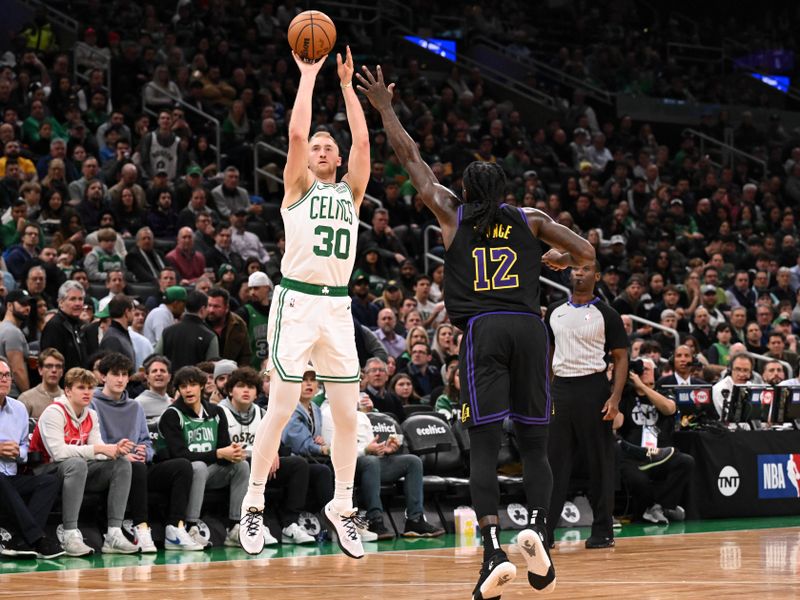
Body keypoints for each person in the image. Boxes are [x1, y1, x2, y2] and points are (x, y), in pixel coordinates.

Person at [359, 65, 595, 597]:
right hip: (530, 329)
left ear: (465, 190)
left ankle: (492, 553)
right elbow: (587, 252)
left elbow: (411, 160)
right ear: (506, 190)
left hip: (484, 330)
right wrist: (549, 260)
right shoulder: (530, 218)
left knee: (485, 444)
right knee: (536, 444)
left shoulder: (451, 213)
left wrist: (386, 108)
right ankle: (536, 528)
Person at [239, 47, 371, 559]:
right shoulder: (296, 189)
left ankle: (342, 504)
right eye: (315, 145)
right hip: (295, 303)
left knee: (347, 415)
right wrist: (309, 76)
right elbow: (294, 134)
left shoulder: (353, 194)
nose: (319, 149)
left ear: (336, 160)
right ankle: (253, 503)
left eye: (327, 147)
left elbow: (363, 139)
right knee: (283, 405)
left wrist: (345, 87)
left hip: (336, 309)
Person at [545, 261, 629, 551]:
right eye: (575, 269)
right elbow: (550, 352)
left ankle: (603, 530)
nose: (579, 273)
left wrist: (615, 398)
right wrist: (546, 389)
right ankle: (545, 532)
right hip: (561, 390)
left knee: (600, 463)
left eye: (585, 268)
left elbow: (620, 357)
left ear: (597, 276)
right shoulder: (555, 311)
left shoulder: (607, 314)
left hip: (593, 388)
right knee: (554, 463)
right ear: (569, 274)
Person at [91, 352, 201, 552]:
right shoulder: (93, 404)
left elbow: (145, 442)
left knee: (182, 466)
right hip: (111, 466)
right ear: (103, 376)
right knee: (135, 466)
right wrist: (122, 454)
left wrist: (146, 453)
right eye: (115, 374)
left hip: (139, 465)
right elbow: (96, 442)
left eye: (124, 374)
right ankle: (141, 528)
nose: (121, 379)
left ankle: (175, 529)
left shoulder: (135, 406)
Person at [29, 367, 139, 556]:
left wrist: (114, 451)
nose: (87, 392)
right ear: (68, 391)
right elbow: (58, 453)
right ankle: (70, 534)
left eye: (90, 388)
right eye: (81, 387)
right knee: (77, 463)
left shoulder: (91, 414)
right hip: (42, 472)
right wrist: (99, 449)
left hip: (75, 471)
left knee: (121, 464)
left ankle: (113, 533)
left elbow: (97, 449)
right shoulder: (54, 412)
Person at [321, 381, 445, 539]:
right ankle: (375, 519)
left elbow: (371, 447)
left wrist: (384, 450)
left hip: (370, 464)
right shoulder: (327, 414)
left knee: (412, 461)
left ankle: (415, 520)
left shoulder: (361, 416)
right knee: (370, 462)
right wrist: (366, 451)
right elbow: (335, 452)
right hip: (346, 468)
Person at [218, 367, 315, 545]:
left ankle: (290, 525)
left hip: (261, 465)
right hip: (231, 466)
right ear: (230, 390)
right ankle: (244, 525)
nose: (246, 390)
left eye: (251, 387)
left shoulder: (263, 413)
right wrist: (263, 455)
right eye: (240, 386)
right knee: (245, 465)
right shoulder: (219, 412)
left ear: (257, 393)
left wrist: (273, 451)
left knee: (298, 465)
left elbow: (277, 442)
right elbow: (223, 449)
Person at [156, 365, 249, 548]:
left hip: (209, 473)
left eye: (192, 384)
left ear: (201, 386)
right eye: (183, 386)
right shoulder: (172, 415)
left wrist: (233, 453)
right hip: (180, 475)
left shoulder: (216, 413)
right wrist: (218, 453)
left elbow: (223, 451)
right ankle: (191, 527)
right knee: (197, 466)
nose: (188, 390)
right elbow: (179, 454)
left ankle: (235, 527)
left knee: (242, 466)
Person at [615, 357, 695, 524]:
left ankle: (661, 506)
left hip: (661, 455)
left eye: (648, 369)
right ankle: (652, 508)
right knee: (639, 480)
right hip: (633, 456)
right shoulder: (625, 394)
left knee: (686, 462)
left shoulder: (663, 391)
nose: (644, 371)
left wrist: (643, 386)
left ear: (655, 373)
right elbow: (617, 422)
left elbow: (668, 408)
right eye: (641, 369)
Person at [0, 357, 65, 560]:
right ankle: (37, 539)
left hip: (9, 477)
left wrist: (18, 453)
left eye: (7, 375)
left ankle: (21, 540)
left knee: (49, 481)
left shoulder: (18, 408)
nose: (4, 379)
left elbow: (24, 448)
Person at [155, 290, 219, 371]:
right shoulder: (210, 336)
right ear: (202, 309)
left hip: (170, 382)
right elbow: (212, 367)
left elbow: (156, 359)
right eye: (208, 307)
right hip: (197, 382)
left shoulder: (167, 332)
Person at [40, 281, 86, 372]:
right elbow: (51, 364)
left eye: (80, 299)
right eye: (72, 299)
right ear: (60, 303)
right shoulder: (54, 327)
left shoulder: (78, 325)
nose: (77, 303)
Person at [0, 289, 34, 396]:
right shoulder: (13, 332)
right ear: (9, 306)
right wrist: (28, 396)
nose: (27, 308)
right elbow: (17, 369)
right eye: (23, 304)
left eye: (29, 304)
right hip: (12, 393)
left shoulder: (3, 327)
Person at [236, 271, 272, 369]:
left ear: (267, 288)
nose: (252, 293)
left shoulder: (277, 310)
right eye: (250, 289)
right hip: (252, 368)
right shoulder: (244, 312)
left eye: (256, 288)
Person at [18, 348, 64, 419]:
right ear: (40, 370)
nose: (54, 370)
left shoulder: (69, 398)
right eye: (49, 366)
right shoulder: (26, 399)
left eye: (58, 366)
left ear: (62, 371)